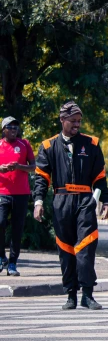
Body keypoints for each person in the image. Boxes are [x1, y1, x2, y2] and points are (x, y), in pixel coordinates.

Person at [33, 101, 108, 310]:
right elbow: (41, 178)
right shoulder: (48, 146)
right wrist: (38, 201)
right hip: (61, 201)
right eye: (73, 121)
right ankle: (70, 294)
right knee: (65, 248)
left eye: (79, 121)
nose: (77, 125)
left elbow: (100, 177)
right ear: (62, 120)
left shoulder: (92, 144)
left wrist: (106, 200)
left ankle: (87, 294)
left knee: (86, 246)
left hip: (85, 201)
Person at [0, 117, 35, 276]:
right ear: (3, 129)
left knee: (17, 229)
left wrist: (19, 166)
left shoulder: (24, 144)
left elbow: (34, 167)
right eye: (10, 127)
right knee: (0, 223)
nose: (14, 129)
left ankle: (13, 263)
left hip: (21, 193)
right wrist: (2, 168)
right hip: (2, 192)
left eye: (16, 126)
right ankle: (1, 257)